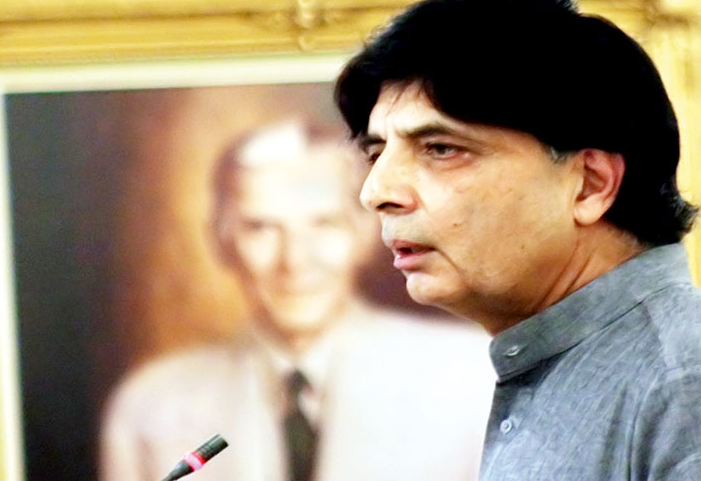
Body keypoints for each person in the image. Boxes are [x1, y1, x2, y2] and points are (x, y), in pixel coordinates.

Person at [334, 0, 701, 481]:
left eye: (440, 148)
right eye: (376, 154)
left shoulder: (694, 381)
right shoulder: (557, 361)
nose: (376, 192)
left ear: (590, 185)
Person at [99, 118, 496, 481]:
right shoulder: (150, 406)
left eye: (323, 224)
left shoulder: (470, 379)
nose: (295, 261)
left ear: (365, 233)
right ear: (221, 239)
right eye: (261, 228)